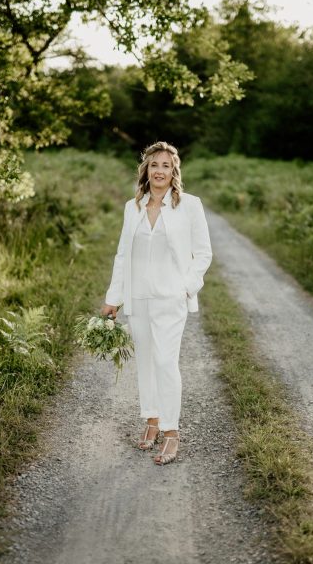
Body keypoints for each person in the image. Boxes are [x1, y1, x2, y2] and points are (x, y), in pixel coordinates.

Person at [101, 141, 212, 465]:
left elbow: (203, 253)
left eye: (165, 165)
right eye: (154, 165)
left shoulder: (189, 205)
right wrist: (113, 299)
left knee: (165, 362)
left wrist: (185, 288)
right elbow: (123, 255)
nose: (159, 171)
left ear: (173, 171)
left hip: (170, 299)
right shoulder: (132, 207)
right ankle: (151, 419)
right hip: (138, 298)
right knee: (146, 362)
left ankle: (171, 431)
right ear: (146, 171)